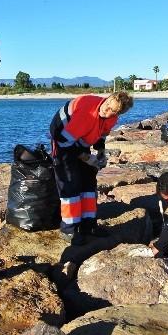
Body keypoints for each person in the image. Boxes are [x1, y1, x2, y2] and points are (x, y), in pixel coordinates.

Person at [50, 92, 134, 245]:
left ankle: (89, 225)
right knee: (70, 183)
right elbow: (63, 142)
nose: (106, 110)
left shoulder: (112, 117)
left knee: (89, 181)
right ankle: (69, 229)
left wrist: (100, 150)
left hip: (81, 137)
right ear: (107, 99)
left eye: (112, 111)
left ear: (118, 113)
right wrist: (85, 157)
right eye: (107, 105)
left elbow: (102, 134)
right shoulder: (86, 114)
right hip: (63, 136)